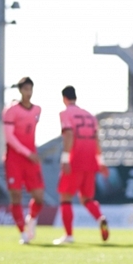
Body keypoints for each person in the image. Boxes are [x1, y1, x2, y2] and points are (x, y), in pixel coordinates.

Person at [53, 86, 109, 245]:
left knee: (65, 198)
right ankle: (100, 218)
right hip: (90, 161)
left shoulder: (65, 113)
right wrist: (101, 162)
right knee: (86, 198)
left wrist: (65, 158)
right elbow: (96, 139)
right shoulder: (90, 116)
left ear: (64, 98)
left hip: (75, 160)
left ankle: (69, 235)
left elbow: (69, 135)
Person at [2, 77, 44, 244]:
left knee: (39, 197)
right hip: (14, 159)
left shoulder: (37, 110)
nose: (28, 92)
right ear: (20, 90)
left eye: (30, 89)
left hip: (31, 159)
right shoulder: (11, 110)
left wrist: (32, 152)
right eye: (26, 89)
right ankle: (22, 232)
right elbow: (9, 137)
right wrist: (27, 153)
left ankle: (31, 221)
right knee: (16, 196)